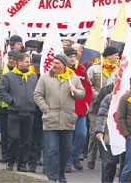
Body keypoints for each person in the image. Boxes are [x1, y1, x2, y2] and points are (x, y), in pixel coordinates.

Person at [34, 54, 86, 183]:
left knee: (66, 149)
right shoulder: (45, 78)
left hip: (67, 119)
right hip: (51, 118)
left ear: (64, 65)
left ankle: (61, 174)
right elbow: (37, 95)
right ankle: (52, 176)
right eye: (53, 63)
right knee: (52, 149)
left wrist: (75, 90)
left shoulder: (72, 77)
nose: (54, 65)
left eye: (57, 63)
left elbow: (82, 93)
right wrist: (46, 108)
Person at [0, 52, 38, 172]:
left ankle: (22, 163)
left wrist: (34, 103)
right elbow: (2, 91)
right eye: (26, 61)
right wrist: (12, 101)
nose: (29, 64)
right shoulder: (8, 76)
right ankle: (11, 160)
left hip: (29, 112)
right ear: (19, 63)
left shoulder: (33, 77)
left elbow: (37, 92)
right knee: (14, 138)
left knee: (26, 140)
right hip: (14, 112)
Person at [64, 46, 93, 172]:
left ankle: (74, 156)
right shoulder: (60, 71)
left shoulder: (81, 69)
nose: (73, 59)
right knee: (68, 137)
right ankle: (67, 162)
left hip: (80, 109)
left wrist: (87, 103)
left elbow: (87, 88)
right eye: (70, 56)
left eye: (74, 56)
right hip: (66, 109)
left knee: (81, 134)